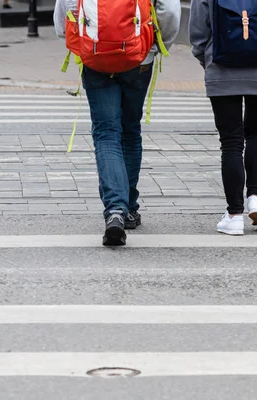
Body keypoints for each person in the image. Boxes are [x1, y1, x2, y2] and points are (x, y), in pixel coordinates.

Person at [54, 0, 180, 245]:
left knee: (106, 133)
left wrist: (80, 41)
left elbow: (65, 9)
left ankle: (115, 210)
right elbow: (171, 10)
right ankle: (129, 209)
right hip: (139, 57)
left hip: (95, 56)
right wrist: (154, 44)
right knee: (130, 131)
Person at [189, 0, 257, 236]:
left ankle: (234, 215)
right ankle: (255, 197)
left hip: (222, 66)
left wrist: (207, 58)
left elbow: (198, 29)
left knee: (231, 142)